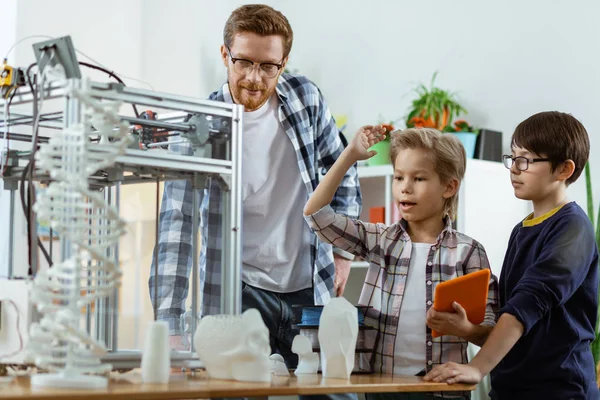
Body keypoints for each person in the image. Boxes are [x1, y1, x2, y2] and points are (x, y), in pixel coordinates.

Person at [149, 3, 360, 390]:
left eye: (268, 66)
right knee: (234, 392)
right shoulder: (200, 127)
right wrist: (171, 326)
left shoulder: (305, 99)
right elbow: (176, 229)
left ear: (284, 63)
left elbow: (342, 169)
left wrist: (344, 255)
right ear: (224, 54)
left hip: (309, 287)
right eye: (243, 62)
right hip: (239, 292)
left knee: (332, 391)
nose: (254, 78)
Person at [304, 127, 499, 400]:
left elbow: (491, 333)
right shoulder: (380, 240)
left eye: (418, 178)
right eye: (398, 177)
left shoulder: (469, 252)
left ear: (449, 186)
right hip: (382, 388)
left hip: (442, 392)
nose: (405, 187)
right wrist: (349, 156)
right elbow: (315, 214)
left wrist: (466, 329)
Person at [424, 111, 600, 399]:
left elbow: (528, 303)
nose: (514, 169)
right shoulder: (522, 230)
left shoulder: (573, 228)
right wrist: (469, 330)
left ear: (564, 170)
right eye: (513, 158)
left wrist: (477, 368)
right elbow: (518, 325)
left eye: (526, 160)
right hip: (511, 389)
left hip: (559, 392)